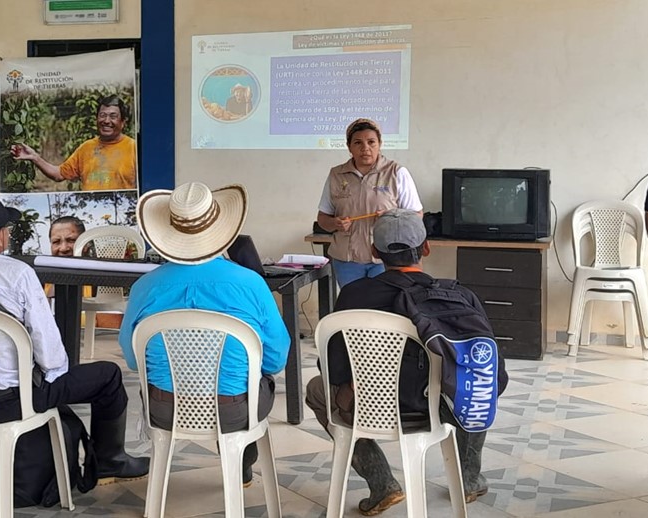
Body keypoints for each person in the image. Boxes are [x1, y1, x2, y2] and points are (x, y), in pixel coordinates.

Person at [0, 195, 149, 492]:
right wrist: (50, 380)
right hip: (9, 401)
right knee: (108, 375)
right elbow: (51, 356)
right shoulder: (17, 273)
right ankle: (110, 460)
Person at [304, 209, 508, 516]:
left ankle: (381, 483)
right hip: (439, 408)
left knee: (317, 390)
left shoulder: (353, 296)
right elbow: (495, 378)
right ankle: (468, 479)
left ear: (375, 252)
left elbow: (332, 369)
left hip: (371, 408)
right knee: (473, 379)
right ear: (426, 247)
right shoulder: (459, 296)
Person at [119, 182, 290, 485]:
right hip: (235, 411)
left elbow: (134, 360)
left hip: (165, 409)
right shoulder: (250, 284)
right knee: (258, 380)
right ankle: (241, 461)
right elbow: (276, 358)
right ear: (222, 230)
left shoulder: (144, 287)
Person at [316, 118, 423, 288]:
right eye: (358, 142)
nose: (365, 148)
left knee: (384, 309)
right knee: (353, 307)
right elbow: (323, 218)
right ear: (349, 147)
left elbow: (417, 216)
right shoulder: (336, 175)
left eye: (371, 142)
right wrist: (334, 223)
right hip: (347, 260)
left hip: (387, 259)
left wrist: (391, 217)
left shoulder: (397, 172)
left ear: (380, 144)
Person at [11, 95, 137, 191]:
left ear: (123, 122)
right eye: (102, 115)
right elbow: (59, 174)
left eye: (113, 116)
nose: (106, 120)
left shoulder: (135, 148)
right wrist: (35, 158)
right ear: (96, 119)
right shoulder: (86, 148)